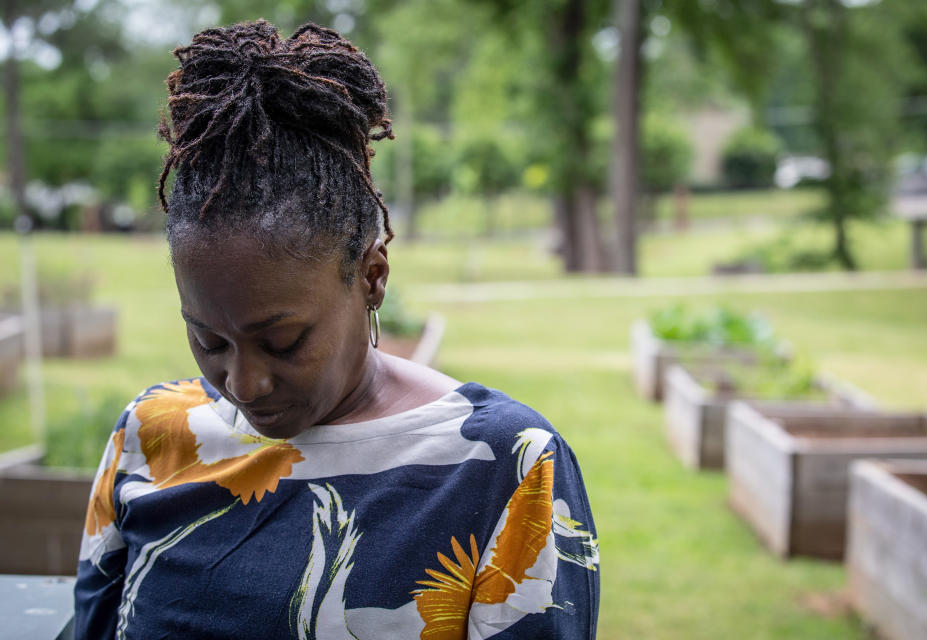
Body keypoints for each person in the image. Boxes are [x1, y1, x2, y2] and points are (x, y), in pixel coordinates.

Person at [74, 19, 599, 640]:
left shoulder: (502, 464)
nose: (244, 383)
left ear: (372, 277)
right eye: (209, 340)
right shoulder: (153, 431)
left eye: (283, 341)